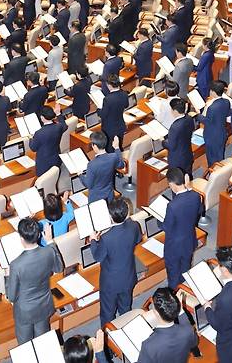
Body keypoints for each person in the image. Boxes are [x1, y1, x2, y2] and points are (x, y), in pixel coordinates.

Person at [7, 216, 63, 344]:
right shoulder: (49, 251)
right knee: (42, 344)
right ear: (39, 235)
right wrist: (50, 241)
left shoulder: (16, 265)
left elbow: (11, 296)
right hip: (44, 305)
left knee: (25, 346)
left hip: (24, 311)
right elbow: (59, 268)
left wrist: (6, 277)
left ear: (21, 239)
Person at [90, 196, 142, 328]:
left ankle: (109, 339)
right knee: (125, 309)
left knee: (108, 314)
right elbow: (138, 239)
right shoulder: (134, 225)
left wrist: (93, 241)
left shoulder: (107, 238)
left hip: (110, 283)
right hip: (128, 276)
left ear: (111, 217)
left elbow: (97, 256)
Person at [161, 167, 203, 289]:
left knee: (173, 274)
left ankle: (174, 295)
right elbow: (200, 210)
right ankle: (185, 291)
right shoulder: (196, 196)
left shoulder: (172, 205)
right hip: (189, 241)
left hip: (174, 246)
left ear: (172, 184)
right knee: (185, 270)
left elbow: (167, 227)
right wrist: (189, 187)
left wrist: (159, 221)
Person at [138, 287, 198, 363]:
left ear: (156, 312)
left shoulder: (149, 345)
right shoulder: (188, 330)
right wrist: (181, 312)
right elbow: (194, 343)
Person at [81, 131, 123, 202]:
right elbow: (121, 165)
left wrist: (80, 175)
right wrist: (117, 147)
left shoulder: (92, 164)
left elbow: (88, 184)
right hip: (109, 195)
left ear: (95, 146)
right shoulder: (113, 157)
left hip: (96, 198)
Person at [199, 80, 230, 167]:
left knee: (211, 158)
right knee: (220, 154)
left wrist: (197, 115)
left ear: (213, 92)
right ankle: (221, 171)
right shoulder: (226, 101)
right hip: (222, 133)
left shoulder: (211, 107)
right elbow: (227, 113)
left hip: (212, 136)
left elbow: (206, 121)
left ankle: (214, 175)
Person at [30, 105, 67, 176]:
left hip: (43, 164)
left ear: (42, 118)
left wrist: (31, 138)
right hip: (56, 159)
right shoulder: (58, 127)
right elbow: (64, 126)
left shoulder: (39, 133)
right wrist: (58, 113)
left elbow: (33, 148)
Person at [99, 73, 129, 151]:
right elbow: (126, 105)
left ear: (109, 85)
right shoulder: (124, 94)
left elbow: (103, 115)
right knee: (118, 146)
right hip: (120, 126)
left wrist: (98, 111)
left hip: (109, 129)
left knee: (110, 149)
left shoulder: (107, 99)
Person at [165, 98, 194, 177]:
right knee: (187, 177)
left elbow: (171, 146)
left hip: (177, 159)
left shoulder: (175, 127)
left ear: (174, 111)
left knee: (177, 182)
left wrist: (162, 141)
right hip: (187, 154)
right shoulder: (189, 118)